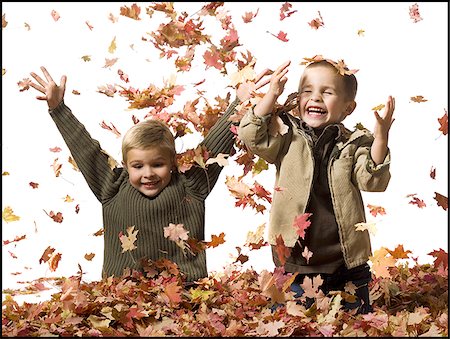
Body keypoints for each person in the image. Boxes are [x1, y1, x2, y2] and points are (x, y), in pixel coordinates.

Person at [28, 66, 271, 283]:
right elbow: (85, 150)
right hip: (122, 294)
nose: (148, 174)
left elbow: (214, 145)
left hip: (184, 293)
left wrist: (240, 102)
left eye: (157, 164)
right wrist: (58, 109)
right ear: (125, 164)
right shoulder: (112, 186)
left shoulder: (189, 184)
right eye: (138, 166)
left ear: (173, 162)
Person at [238, 58, 395, 314]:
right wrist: (271, 95)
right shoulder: (286, 134)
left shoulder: (354, 144)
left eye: (327, 92)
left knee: (356, 320)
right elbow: (251, 136)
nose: (315, 98)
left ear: (348, 107)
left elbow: (372, 180)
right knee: (296, 321)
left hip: (345, 260)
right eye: (307, 91)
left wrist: (381, 138)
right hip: (295, 261)